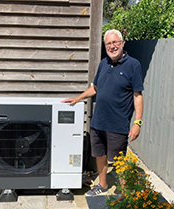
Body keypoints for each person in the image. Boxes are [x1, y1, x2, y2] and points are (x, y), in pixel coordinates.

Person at [62, 29, 144, 196]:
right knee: (100, 155)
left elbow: (137, 95)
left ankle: (125, 192)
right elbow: (96, 88)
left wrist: (137, 122)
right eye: (108, 43)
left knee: (119, 161)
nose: (112, 46)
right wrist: (78, 98)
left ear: (122, 43)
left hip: (118, 124)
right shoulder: (103, 63)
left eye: (115, 42)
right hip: (98, 122)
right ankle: (103, 185)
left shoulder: (133, 65)